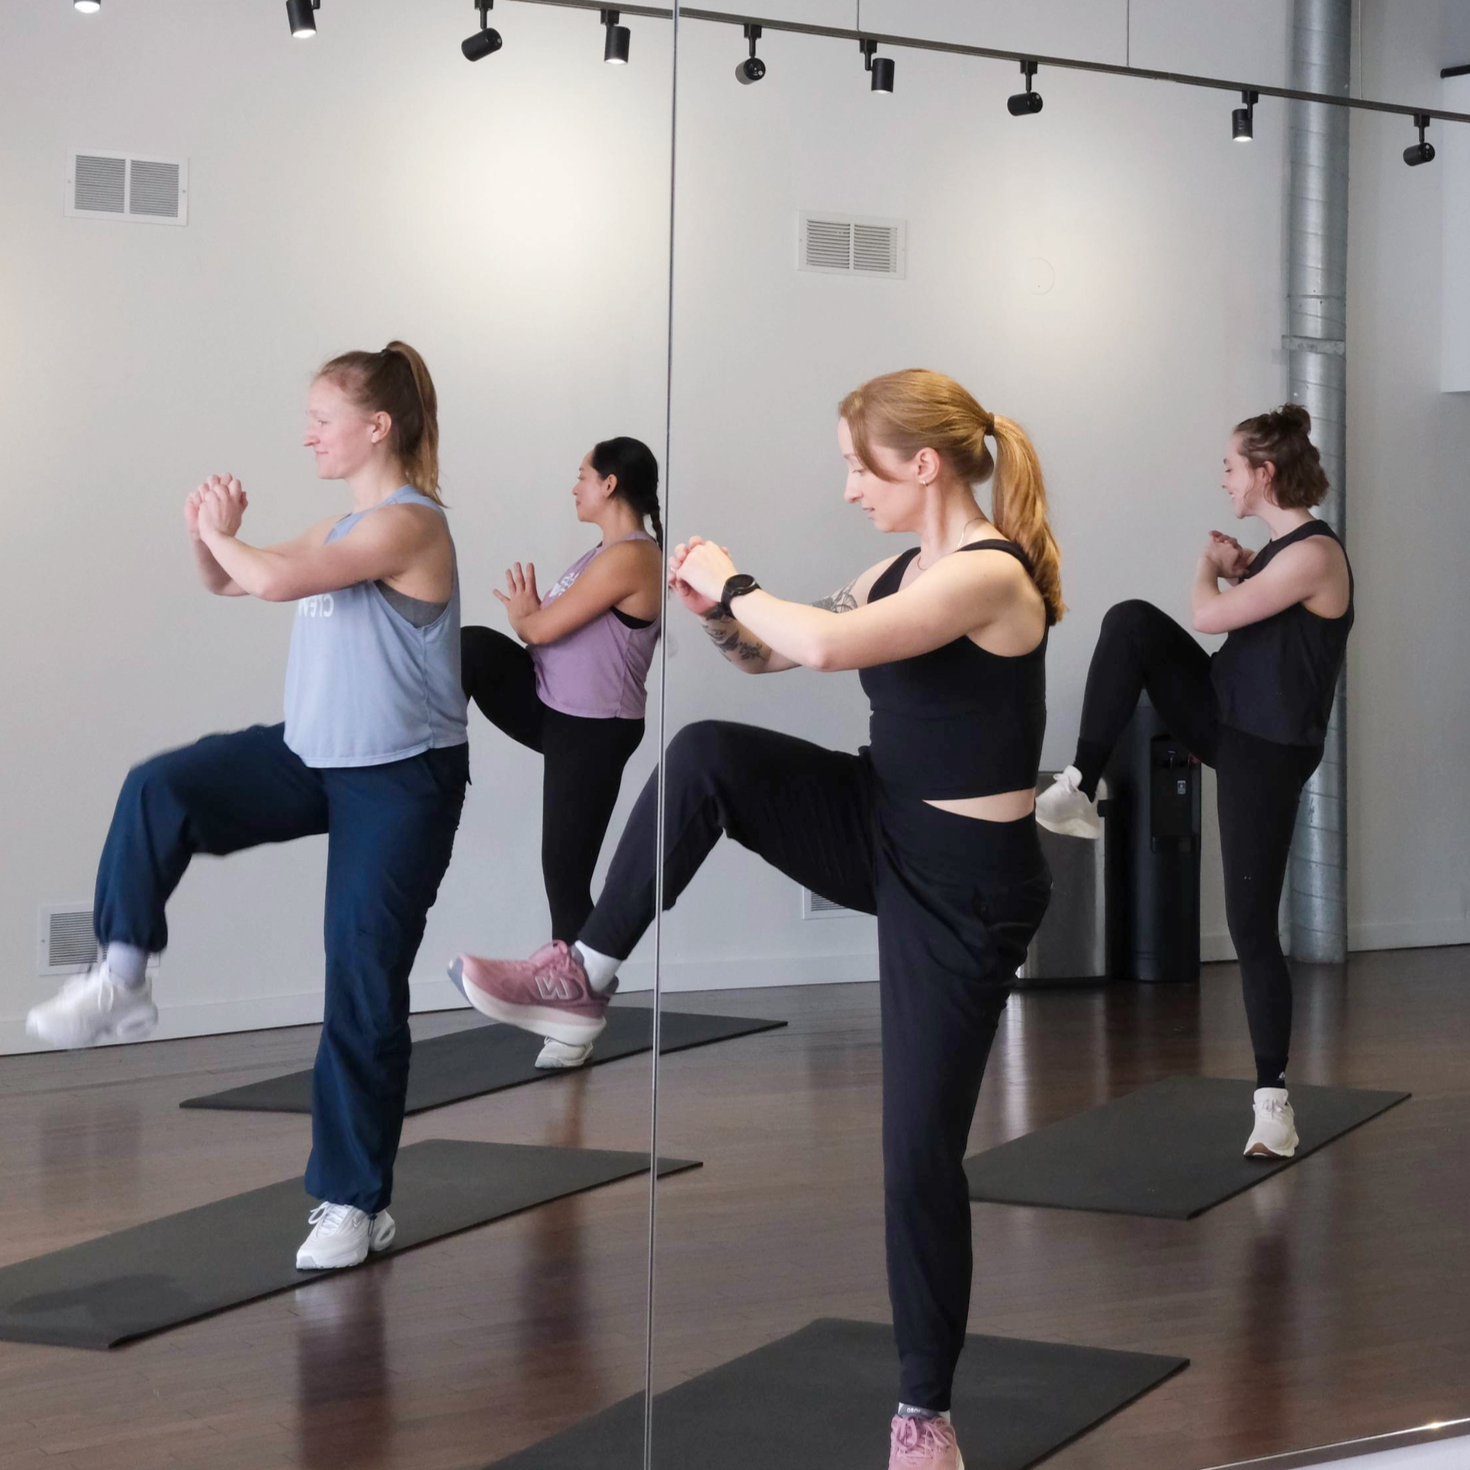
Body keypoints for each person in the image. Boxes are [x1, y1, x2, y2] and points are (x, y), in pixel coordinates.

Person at [449, 369, 1062, 1470]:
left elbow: (830, 646)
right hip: (881, 820)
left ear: (923, 465)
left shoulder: (988, 576)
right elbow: (777, 650)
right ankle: (584, 970)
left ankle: (925, 1415)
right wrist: (722, 619)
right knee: (711, 757)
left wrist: (734, 581)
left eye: (856, 466)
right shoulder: (893, 566)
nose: (845, 489)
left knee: (916, 1152)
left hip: (968, 885)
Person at [26, 342, 470, 1272]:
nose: (306, 432)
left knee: (359, 976)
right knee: (163, 787)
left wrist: (232, 534)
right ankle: (124, 972)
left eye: (321, 417)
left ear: (375, 426)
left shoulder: (411, 526)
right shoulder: (344, 523)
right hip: (316, 755)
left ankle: (355, 1203)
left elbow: (268, 577)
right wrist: (207, 533)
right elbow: (231, 578)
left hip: (400, 783)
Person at [1035, 404, 1353, 1161]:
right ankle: (1079, 782)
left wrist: (1210, 569)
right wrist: (1243, 565)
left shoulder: (1315, 555)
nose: (1224, 480)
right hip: (1222, 713)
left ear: (1264, 474)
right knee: (1131, 623)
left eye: (1231, 468)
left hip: (1263, 752)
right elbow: (1244, 625)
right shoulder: (1283, 554)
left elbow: (1209, 616)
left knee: (1249, 927)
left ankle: (1273, 1103)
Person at [456, 438, 662, 1069]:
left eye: (581, 476)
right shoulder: (602, 555)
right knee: (470, 651)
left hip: (594, 729)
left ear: (609, 484)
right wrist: (528, 619)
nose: (574, 487)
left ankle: (575, 1006)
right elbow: (550, 631)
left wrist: (526, 615)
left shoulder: (633, 557)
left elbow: (541, 628)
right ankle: (431, 759)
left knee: (564, 872)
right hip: (557, 708)